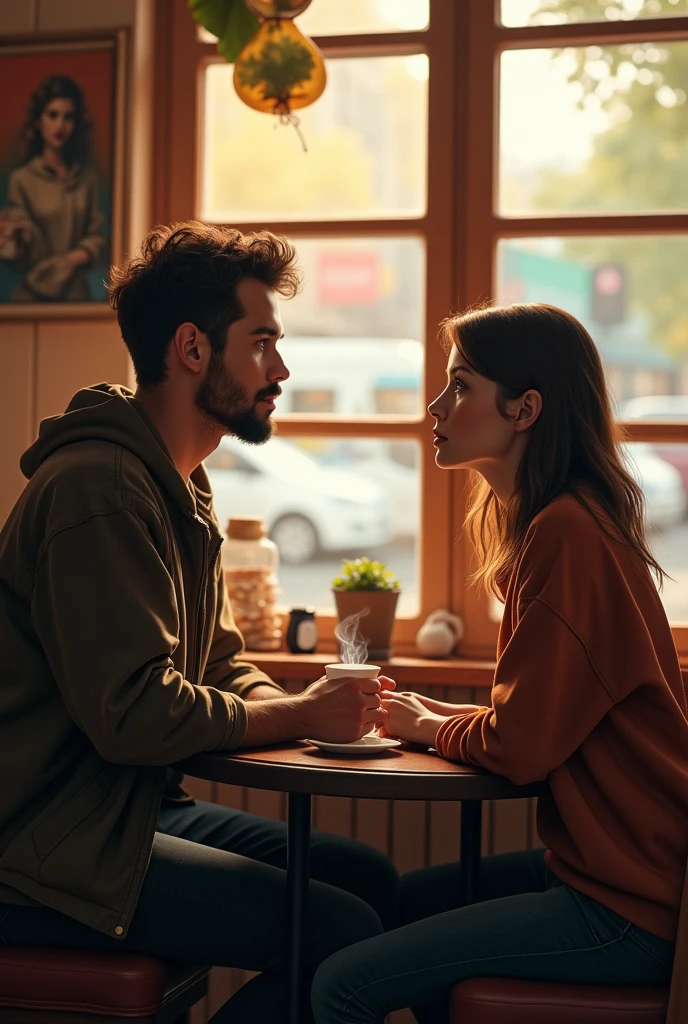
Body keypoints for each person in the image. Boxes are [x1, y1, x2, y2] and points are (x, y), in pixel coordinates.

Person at [0, 222, 399, 1024]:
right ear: (192, 349)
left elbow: (216, 665)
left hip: (125, 810)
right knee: (342, 928)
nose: (280, 370)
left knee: (366, 878)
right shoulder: (100, 490)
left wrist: (323, 712)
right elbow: (136, 717)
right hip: (44, 842)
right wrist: (296, 713)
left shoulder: (176, 480)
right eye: (262, 344)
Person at [312, 302, 688, 1024]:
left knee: (342, 985)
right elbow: (544, 719)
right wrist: (435, 716)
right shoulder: (568, 521)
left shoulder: (567, 535)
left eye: (459, 386)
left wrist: (428, 728)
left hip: (631, 905)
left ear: (525, 409)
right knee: (388, 903)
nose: (435, 404)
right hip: (614, 875)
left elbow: (521, 748)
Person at [0, 74, 106, 301]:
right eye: (53, 115)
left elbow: (98, 237)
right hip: (34, 293)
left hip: (76, 296)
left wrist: (73, 259)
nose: (60, 125)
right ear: (39, 121)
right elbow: (17, 249)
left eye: (68, 117)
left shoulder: (87, 180)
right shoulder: (23, 179)